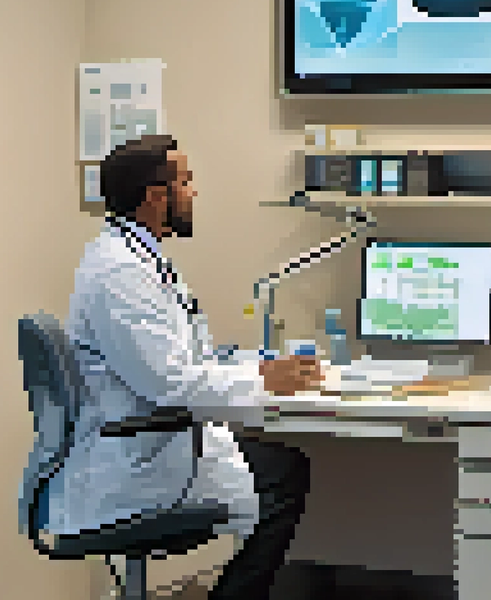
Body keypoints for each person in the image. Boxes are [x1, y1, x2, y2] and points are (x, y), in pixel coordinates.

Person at [43, 134, 323, 600]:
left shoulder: (137, 260)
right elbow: (169, 383)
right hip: (136, 458)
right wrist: (260, 379)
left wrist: (256, 365)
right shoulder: (121, 275)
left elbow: (182, 360)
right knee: (285, 474)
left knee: (281, 467)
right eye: (186, 181)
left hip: (147, 442)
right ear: (156, 196)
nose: (193, 193)